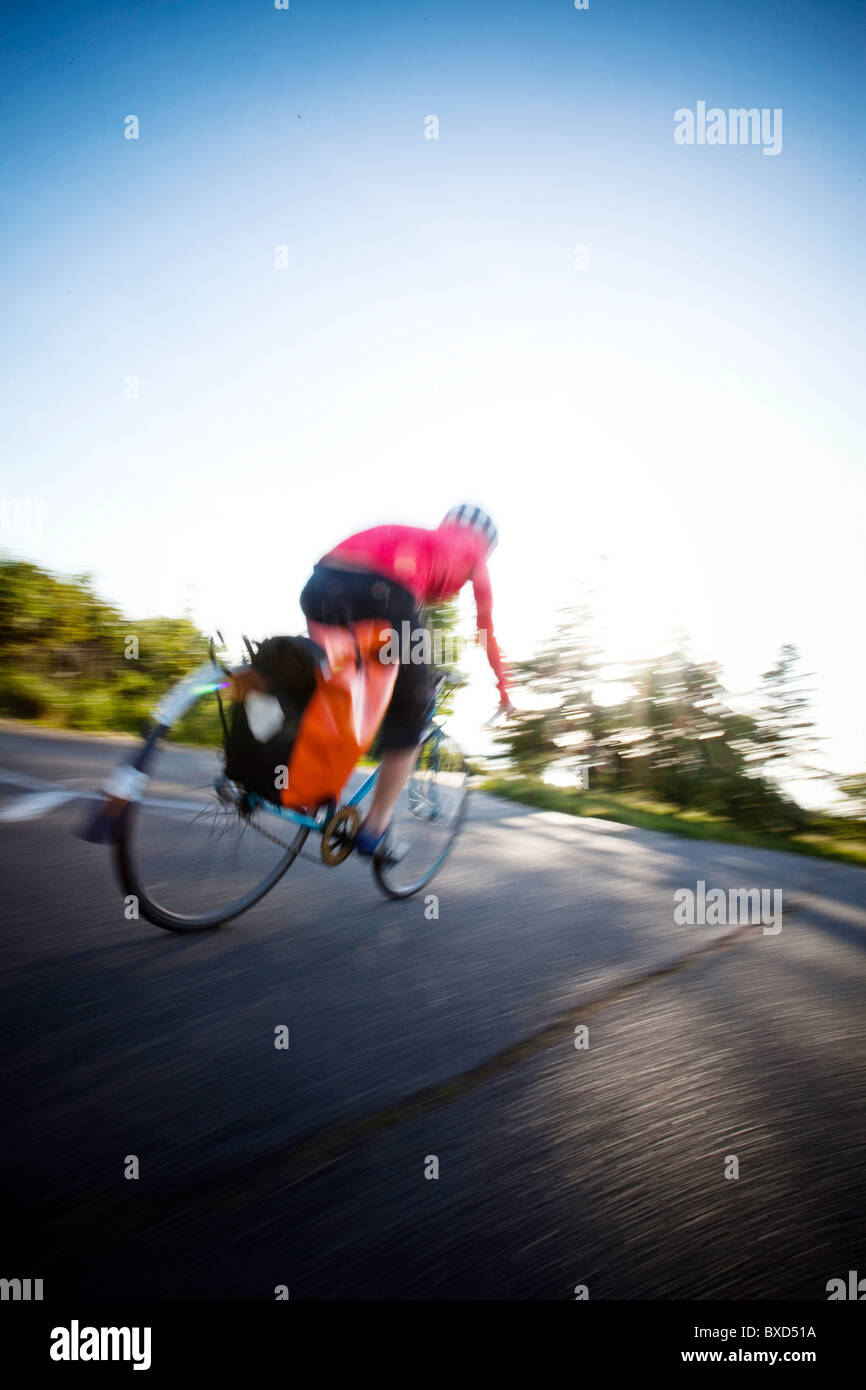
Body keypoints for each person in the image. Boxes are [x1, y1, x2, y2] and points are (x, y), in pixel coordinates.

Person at [299, 505, 512, 856]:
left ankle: (313, 789)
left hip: (319, 586)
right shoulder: (474, 554)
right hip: (383, 596)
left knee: (340, 681)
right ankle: (375, 828)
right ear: (485, 544)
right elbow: (485, 628)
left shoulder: (424, 540)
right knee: (410, 714)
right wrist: (503, 687)